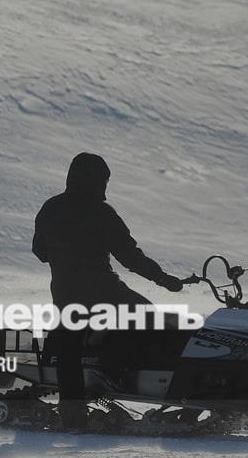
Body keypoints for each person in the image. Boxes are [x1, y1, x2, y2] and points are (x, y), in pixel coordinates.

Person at [32, 152, 184, 431]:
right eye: (103, 181)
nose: (104, 186)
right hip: (104, 290)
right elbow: (131, 257)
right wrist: (164, 279)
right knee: (147, 315)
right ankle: (117, 374)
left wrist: (62, 254)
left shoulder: (50, 208)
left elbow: (39, 251)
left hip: (65, 295)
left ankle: (73, 418)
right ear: (93, 180)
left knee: (69, 351)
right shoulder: (101, 212)